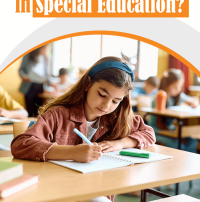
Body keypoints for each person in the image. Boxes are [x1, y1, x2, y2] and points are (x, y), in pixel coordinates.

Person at [11, 56, 155, 201]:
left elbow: (148, 133)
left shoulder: (118, 118)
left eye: (115, 101)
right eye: (102, 94)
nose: (106, 105)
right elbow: (21, 144)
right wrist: (72, 153)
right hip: (59, 190)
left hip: (99, 189)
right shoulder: (58, 114)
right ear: (87, 84)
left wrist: (120, 143)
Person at [149, 68, 199, 153]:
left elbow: (192, 100)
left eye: (180, 87)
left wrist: (194, 102)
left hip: (171, 130)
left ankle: (187, 163)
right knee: (177, 144)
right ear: (167, 85)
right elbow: (155, 123)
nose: (178, 90)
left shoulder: (177, 97)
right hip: (157, 131)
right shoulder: (158, 98)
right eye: (175, 87)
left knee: (192, 141)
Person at [19, 45, 58, 117]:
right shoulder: (28, 55)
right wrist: (24, 76)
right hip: (29, 86)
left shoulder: (47, 58)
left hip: (40, 86)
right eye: (46, 48)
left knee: (39, 111)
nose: (47, 50)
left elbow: (47, 74)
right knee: (30, 111)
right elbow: (21, 70)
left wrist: (51, 83)